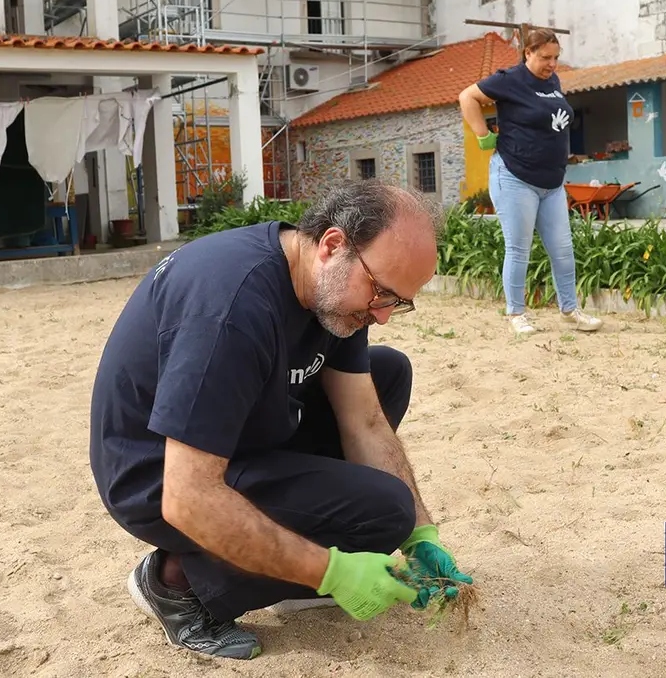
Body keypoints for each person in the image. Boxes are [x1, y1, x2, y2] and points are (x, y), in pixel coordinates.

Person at [88, 179, 474, 661]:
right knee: (383, 511)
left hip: (237, 434)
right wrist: (330, 571)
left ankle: (290, 565)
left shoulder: (330, 288)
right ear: (333, 244)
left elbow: (365, 422)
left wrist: (420, 535)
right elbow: (187, 497)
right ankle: (176, 584)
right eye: (380, 293)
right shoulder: (232, 310)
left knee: (388, 372)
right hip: (157, 475)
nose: (383, 315)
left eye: (397, 301)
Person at [459, 28, 603, 337]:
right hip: (514, 176)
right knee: (519, 248)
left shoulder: (552, 81)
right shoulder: (510, 79)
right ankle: (516, 314)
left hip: (551, 183)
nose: (552, 64)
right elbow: (467, 96)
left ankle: (569, 311)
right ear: (528, 53)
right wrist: (483, 136)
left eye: (556, 58)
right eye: (545, 57)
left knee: (563, 249)